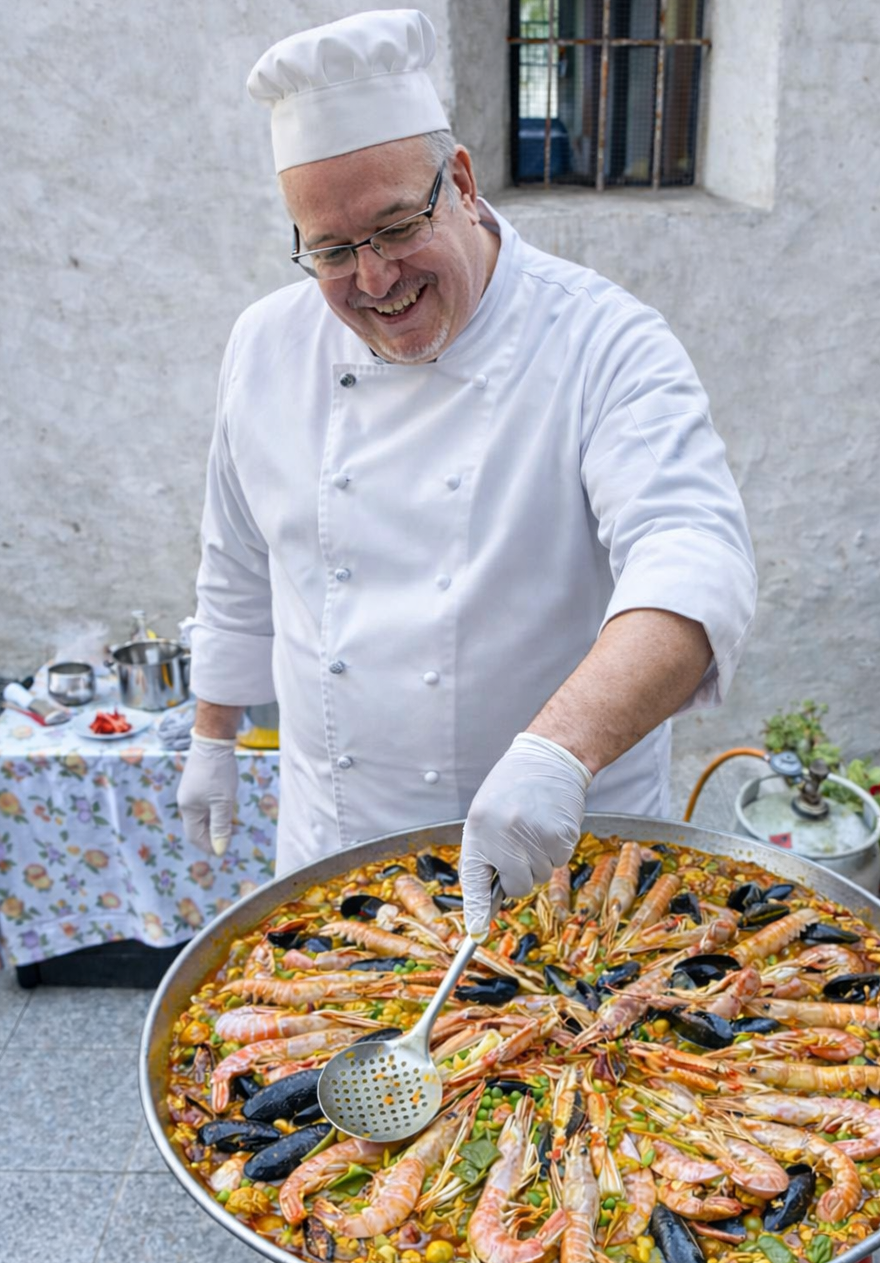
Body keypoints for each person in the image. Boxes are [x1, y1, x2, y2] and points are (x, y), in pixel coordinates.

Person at [176, 8, 757, 938]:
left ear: (461, 182)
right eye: (329, 249)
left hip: (563, 854)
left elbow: (692, 560)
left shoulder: (603, 341)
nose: (372, 280)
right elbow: (240, 561)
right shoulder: (264, 347)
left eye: (396, 226)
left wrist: (561, 754)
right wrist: (213, 731)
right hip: (338, 846)